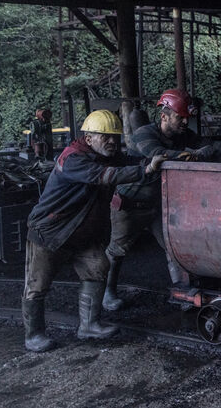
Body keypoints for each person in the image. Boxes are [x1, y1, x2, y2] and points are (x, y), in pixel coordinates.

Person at [22, 109, 167, 352]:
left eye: (115, 137)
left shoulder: (107, 155)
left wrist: (160, 158)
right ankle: (34, 334)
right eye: (105, 137)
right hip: (51, 231)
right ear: (89, 139)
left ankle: (89, 325)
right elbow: (106, 176)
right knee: (37, 285)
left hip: (83, 234)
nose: (112, 142)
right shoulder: (73, 158)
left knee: (98, 268)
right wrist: (147, 169)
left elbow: (128, 161)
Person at [103, 88, 221, 310]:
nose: (184, 123)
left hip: (158, 205)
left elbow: (208, 145)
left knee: (173, 245)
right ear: (164, 116)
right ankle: (107, 292)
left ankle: (183, 294)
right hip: (130, 204)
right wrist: (196, 155)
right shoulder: (143, 134)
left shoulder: (182, 135)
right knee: (117, 250)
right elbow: (159, 156)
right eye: (180, 117)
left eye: (186, 118)